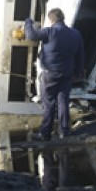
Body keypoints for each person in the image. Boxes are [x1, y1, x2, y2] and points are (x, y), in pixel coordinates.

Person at [25, 8, 84, 141]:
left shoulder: (49, 31)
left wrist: (28, 22)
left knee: (49, 103)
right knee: (63, 101)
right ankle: (64, 131)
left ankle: (45, 133)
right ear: (62, 18)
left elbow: (31, 36)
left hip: (50, 74)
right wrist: (79, 72)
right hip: (67, 73)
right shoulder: (75, 34)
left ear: (52, 19)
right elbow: (80, 55)